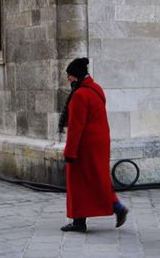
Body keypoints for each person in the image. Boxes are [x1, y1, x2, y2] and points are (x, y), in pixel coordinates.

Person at [58, 57, 129, 232]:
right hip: (100, 141)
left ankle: (81, 221)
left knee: (78, 181)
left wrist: (70, 152)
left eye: (70, 76)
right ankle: (110, 209)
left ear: (76, 76)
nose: (68, 79)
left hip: (85, 145)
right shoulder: (95, 89)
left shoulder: (80, 95)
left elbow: (76, 127)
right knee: (98, 178)